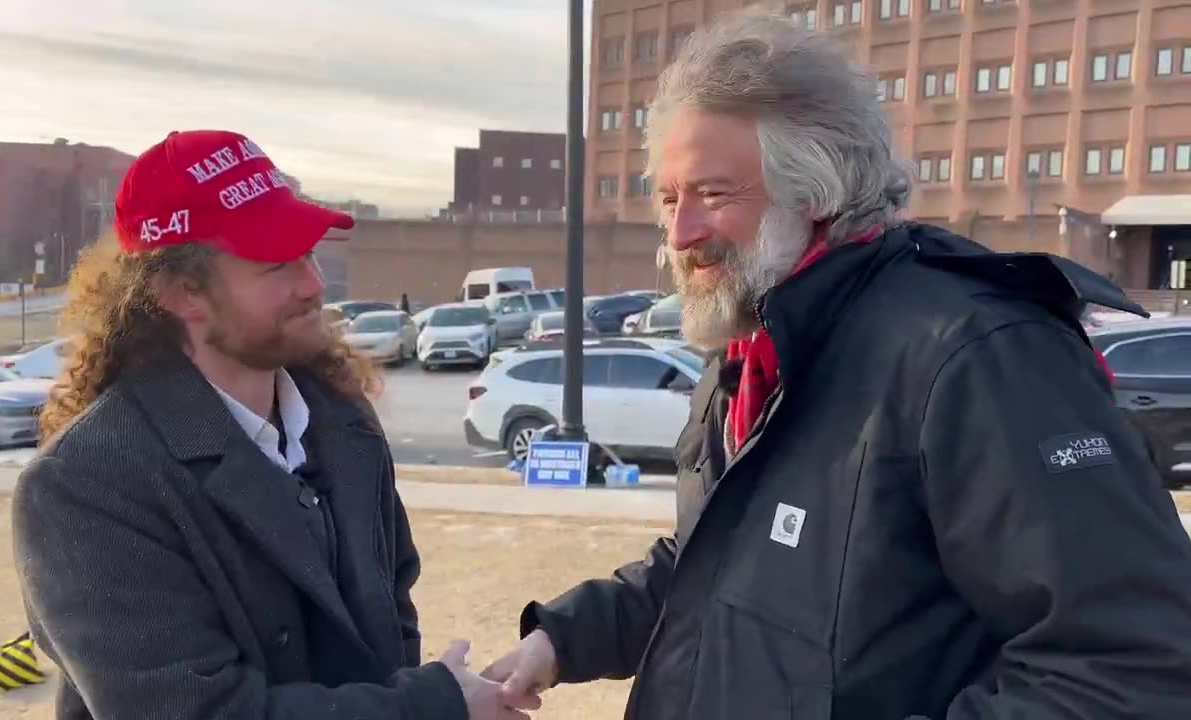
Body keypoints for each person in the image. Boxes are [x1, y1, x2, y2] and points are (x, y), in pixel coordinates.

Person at [482, 11, 1191, 719]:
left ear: (816, 189)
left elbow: (1128, 668)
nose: (680, 234)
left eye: (713, 194)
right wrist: (561, 639)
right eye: (669, 199)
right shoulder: (753, 349)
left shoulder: (975, 354)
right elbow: (713, 564)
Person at [12, 130, 536, 720]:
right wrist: (432, 705)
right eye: (275, 260)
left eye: (307, 250)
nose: (313, 282)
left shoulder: (342, 423)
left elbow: (392, 609)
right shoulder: (86, 486)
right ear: (183, 291)